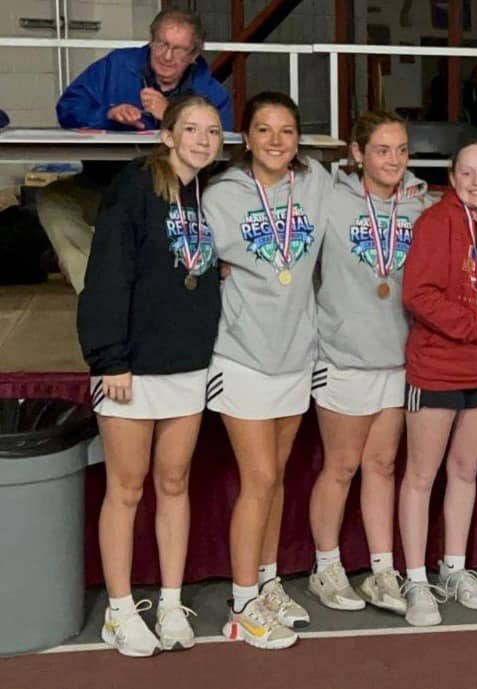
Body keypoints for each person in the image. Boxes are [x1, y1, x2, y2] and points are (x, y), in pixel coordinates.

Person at [76, 94, 223, 657]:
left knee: (174, 483)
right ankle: (118, 608)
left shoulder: (205, 194)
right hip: (130, 368)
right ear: (167, 135)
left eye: (212, 131)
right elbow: (108, 271)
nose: (203, 140)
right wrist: (109, 357)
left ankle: (168, 598)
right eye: (192, 129)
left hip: (186, 365)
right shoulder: (137, 187)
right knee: (128, 488)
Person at [202, 91, 332, 650]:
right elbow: (188, 260)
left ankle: (269, 580)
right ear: (247, 139)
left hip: (295, 355)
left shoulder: (318, 185)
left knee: (275, 480)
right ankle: (241, 604)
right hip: (242, 357)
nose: (276, 140)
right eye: (264, 130)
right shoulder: (222, 196)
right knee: (257, 480)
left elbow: (380, 196)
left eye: (286, 130)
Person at [307, 110, 431, 615]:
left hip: (398, 358)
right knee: (341, 467)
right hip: (344, 356)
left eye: (402, 150)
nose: (394, 160)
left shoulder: (419, 204)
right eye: (382, 150)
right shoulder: (330, 199)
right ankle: (326, 567)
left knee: (381, 466)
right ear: (357, 154)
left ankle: (382, 571)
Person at [398, 141, 477, 627]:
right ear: (452, 175)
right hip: (439, 366)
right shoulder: (434, 221)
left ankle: (454, 568)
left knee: (465, 471)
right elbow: (417, 294)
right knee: (422, 476)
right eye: (468, 171)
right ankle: (416, 579)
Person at [41, 8, 233, 295]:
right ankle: (99, 291)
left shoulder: (208, 88)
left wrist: (170, 114)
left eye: (179, 50)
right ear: (151, 41)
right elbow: (67, 107)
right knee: (53, 201)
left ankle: (161, 294)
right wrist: (107, 114)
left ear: (193, 56)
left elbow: (222, 143)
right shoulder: (117, 66)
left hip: (173, 195)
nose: (167, 56)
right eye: (161, 44)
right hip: (107, 187)